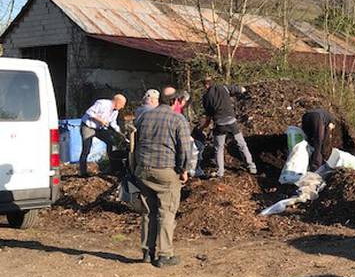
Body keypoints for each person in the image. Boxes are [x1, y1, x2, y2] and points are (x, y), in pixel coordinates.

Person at [134, 89, 190, 267]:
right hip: (165, 171)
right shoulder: (178, 119)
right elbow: (185, 149)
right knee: (166, 212)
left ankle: (147, 252)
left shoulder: (145, 116)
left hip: (143, 169)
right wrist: (184, 169)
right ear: (176, 101)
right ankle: (165, 255)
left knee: (148, 212)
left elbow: (135, 143)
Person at [201, 77, 257, 177]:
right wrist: (244, 90)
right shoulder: (224, 87)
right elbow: (240, 89)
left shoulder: (206, 97)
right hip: (231, 122)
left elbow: (208, 117)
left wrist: (204, 127)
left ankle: (220, 171)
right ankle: (251, 166)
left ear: (205, 85)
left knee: (219, 147)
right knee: (241, 143)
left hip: (220, 124)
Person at [79, 94, 127, 177]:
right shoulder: (102, 103)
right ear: (117, 102)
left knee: (110, 142)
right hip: (88, 126)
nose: (122, 107)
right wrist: (101, 120)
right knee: (86, 150)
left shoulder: (115, 111)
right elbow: (89, 112)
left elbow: (113, 123)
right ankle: (83, 172)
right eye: (122, 105)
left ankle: (112, 166)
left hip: (99, 129)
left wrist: (120, 132)